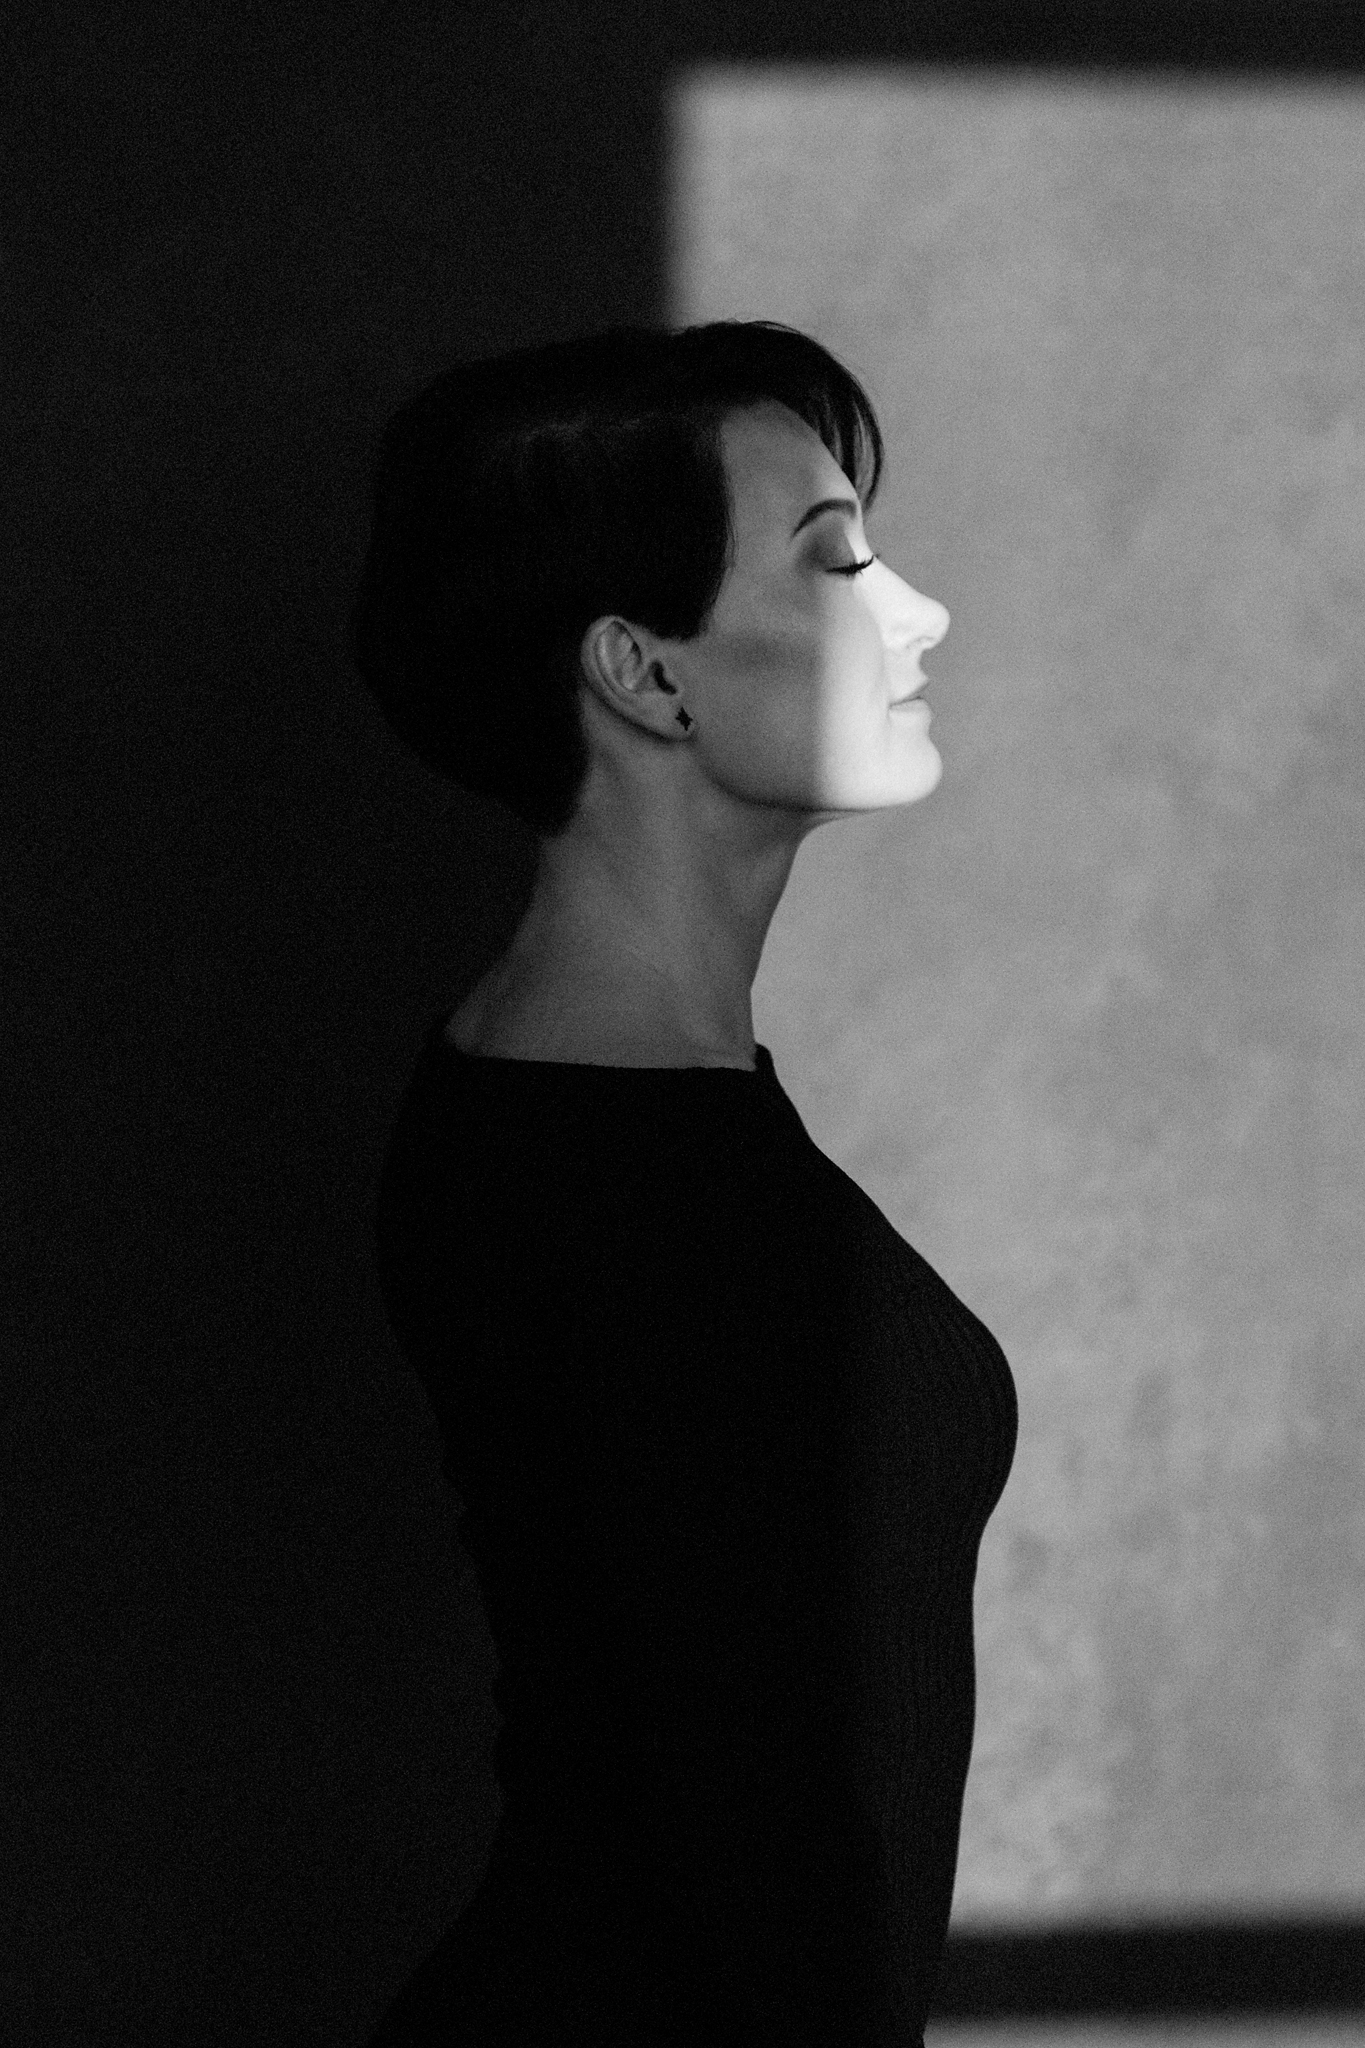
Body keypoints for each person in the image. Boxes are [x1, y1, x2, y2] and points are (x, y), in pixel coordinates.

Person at [351, 319, 1018, 2044]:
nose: (918, 612)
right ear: (645, 673)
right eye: (836, 562)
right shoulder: (646, 1199)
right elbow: (768, 1871)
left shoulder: (568, 1095)